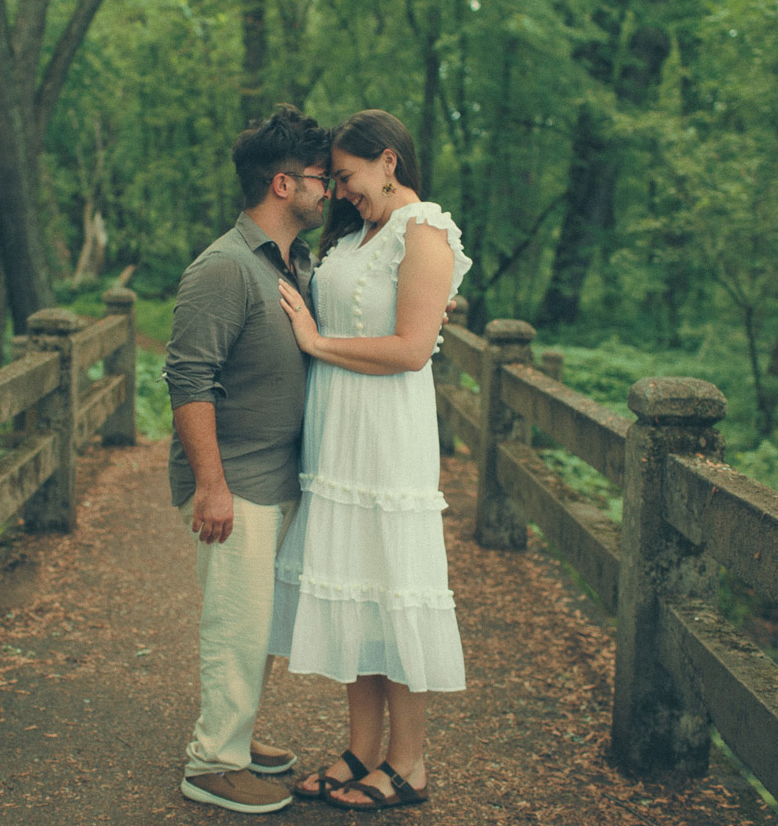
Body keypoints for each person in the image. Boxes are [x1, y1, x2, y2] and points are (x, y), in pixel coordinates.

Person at [271, 108, 470, 811]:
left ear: (388, 160)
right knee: (356, 587)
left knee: (392, 587)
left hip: (386, 436)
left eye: (346, 175)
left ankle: (408, 763)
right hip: (338, 433)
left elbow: (412, 349)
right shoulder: (359, 235)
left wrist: (317, 343)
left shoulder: (425, 233)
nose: (340, 190)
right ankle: (361, 749)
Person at [163, 103, 332, 814]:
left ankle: (236, 733)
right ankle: (213, 763)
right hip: (234, 479)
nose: (329, 191)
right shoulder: (224, 268)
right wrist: (211, 485)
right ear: (283, 185)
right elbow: (187, 378)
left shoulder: (295, 262)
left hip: (278, 472)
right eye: (321, 178)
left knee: (260, 622)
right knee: (236, 625)